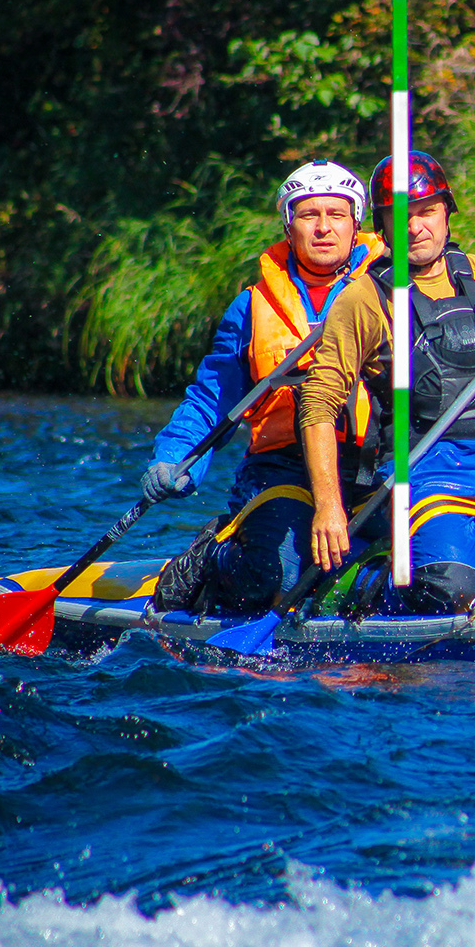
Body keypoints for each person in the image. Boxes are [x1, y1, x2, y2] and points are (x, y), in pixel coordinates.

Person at [294, 150, 475, 614]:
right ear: (381, 226)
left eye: (426, 212)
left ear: (446, 215)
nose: (414, 227)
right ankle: (370, 574)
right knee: (448, 589)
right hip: (421, 471)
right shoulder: (364, 298)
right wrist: (329, 506)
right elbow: (317, 404)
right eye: (400, 216)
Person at [145, 160, 384, 614]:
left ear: (357, 224)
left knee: (420, 558)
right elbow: (212, 398)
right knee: (278, 576)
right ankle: (211, 556)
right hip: (281, 468)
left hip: (371, 466)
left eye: (337, 215)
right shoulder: (251, 307)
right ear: (288, 226)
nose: (323, 228)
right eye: (309, 216)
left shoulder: (390, 290)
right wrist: (174, 459)